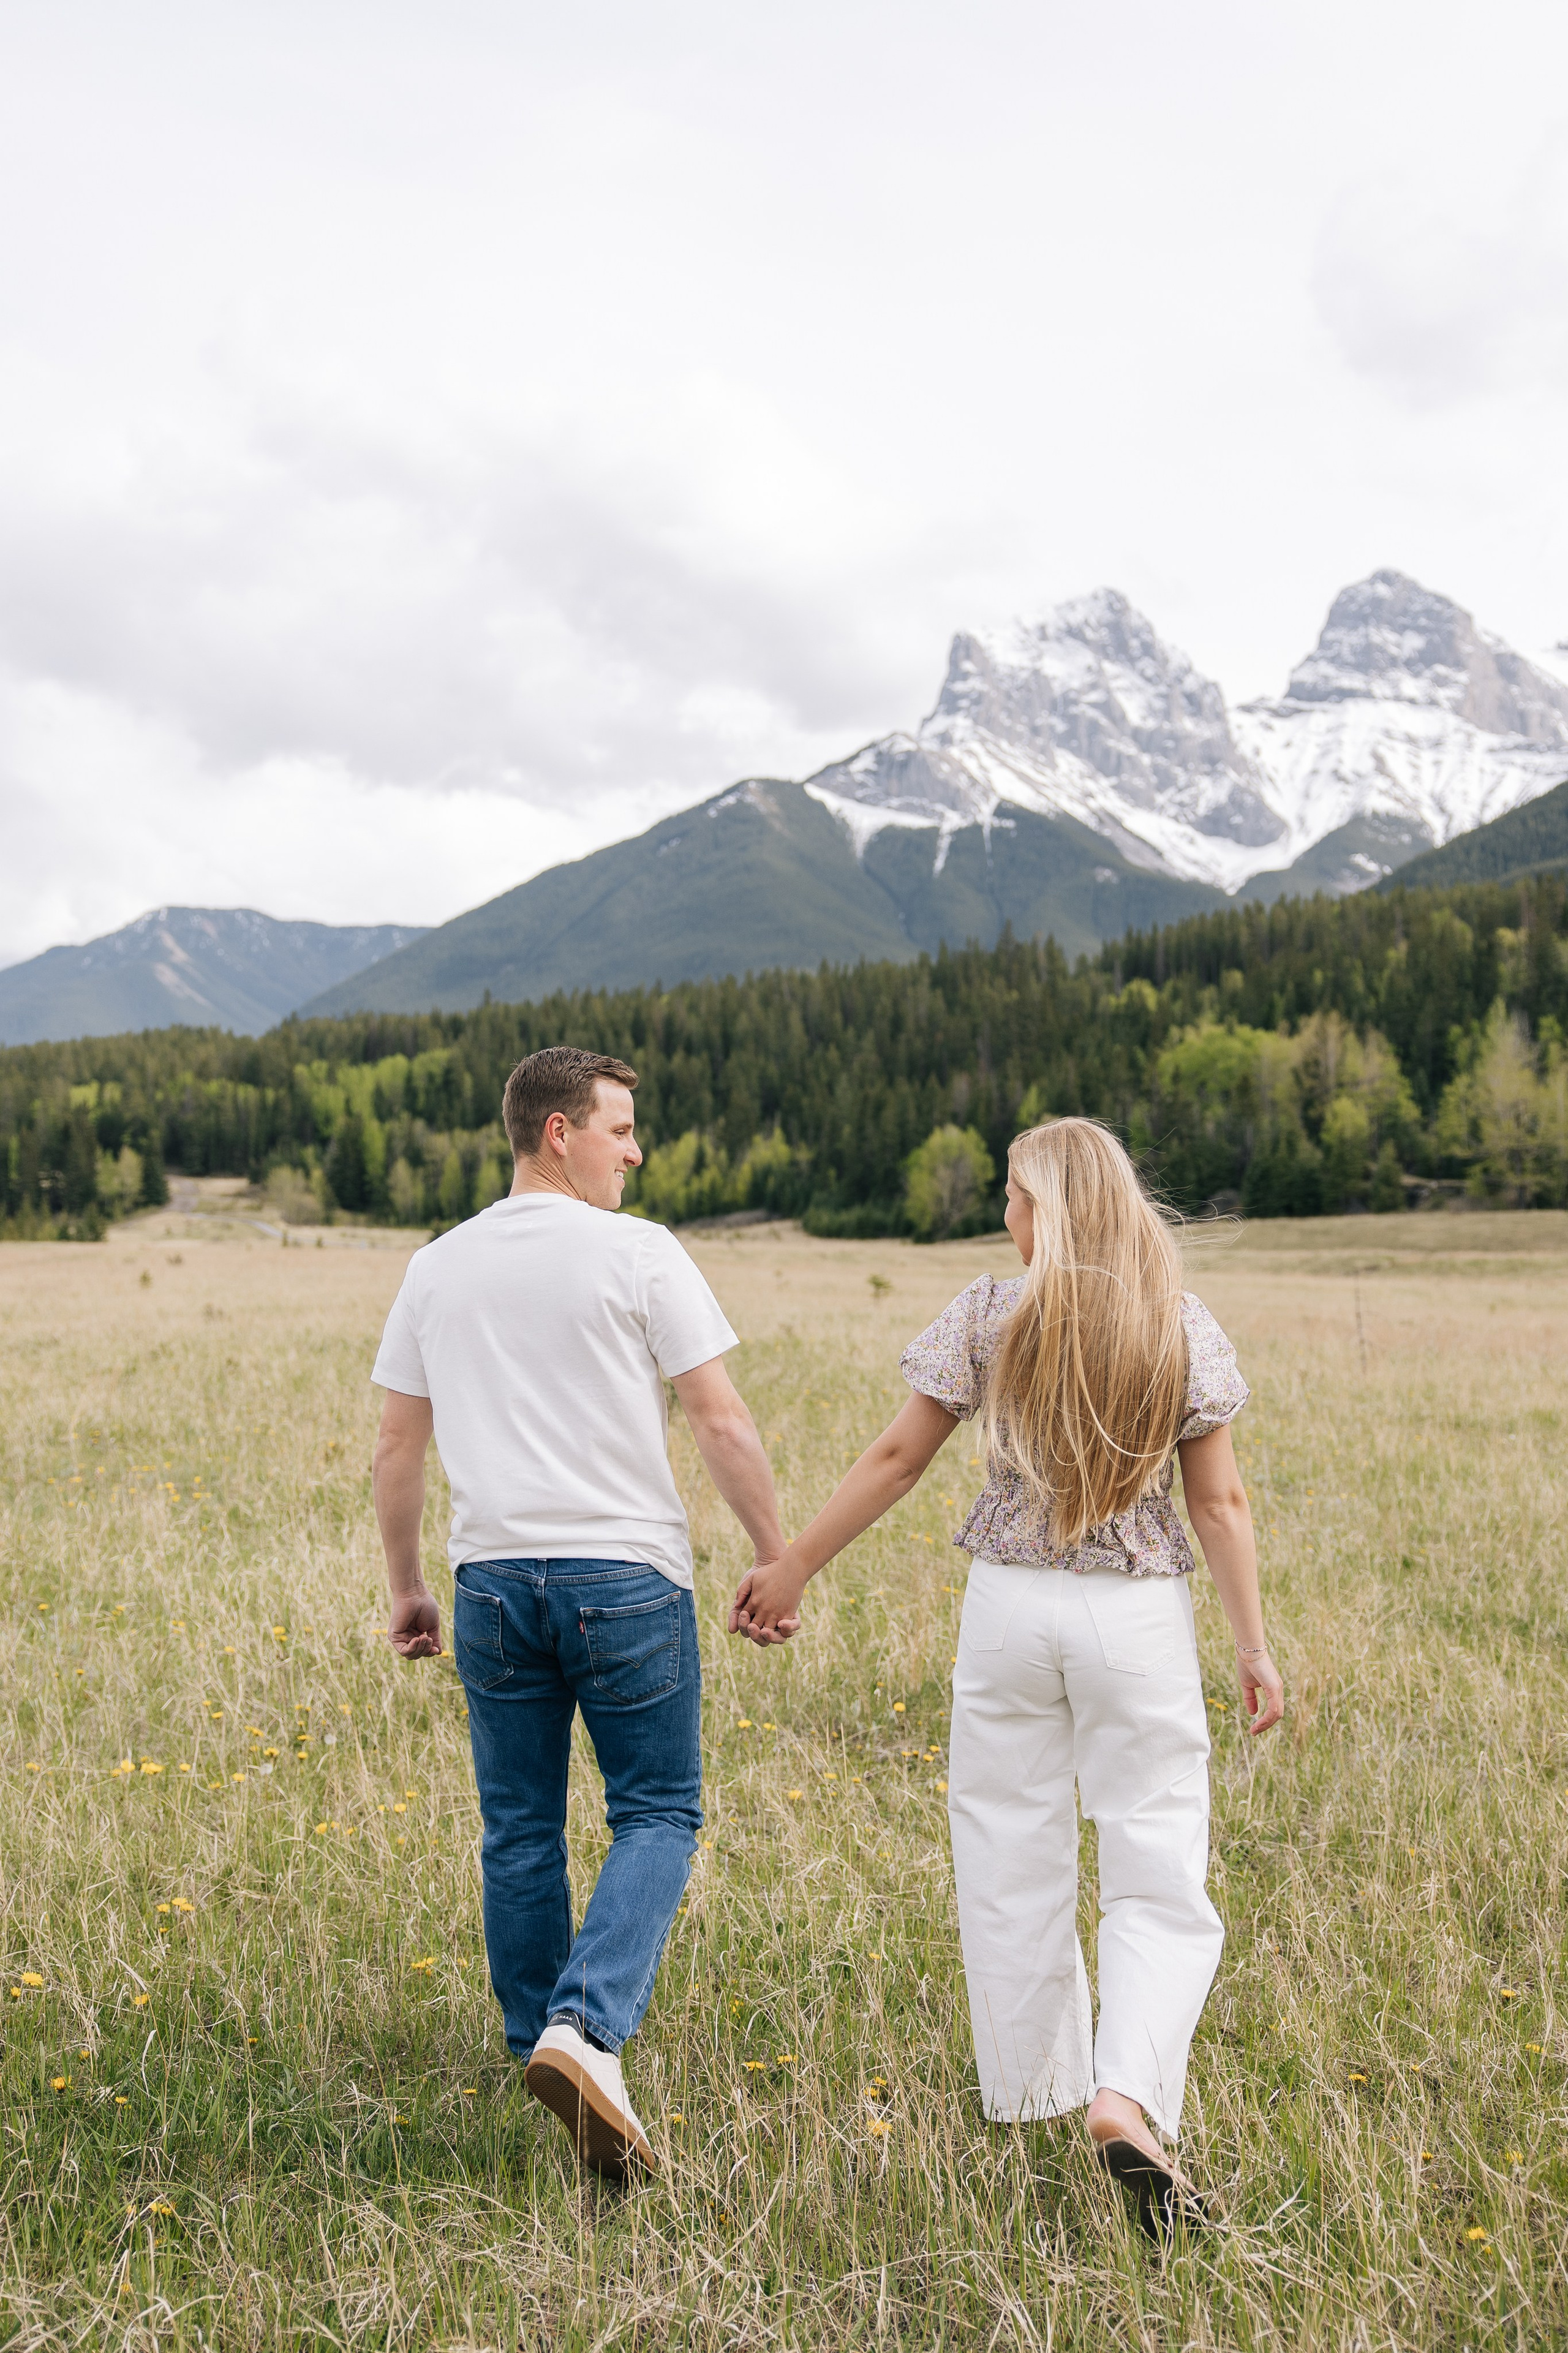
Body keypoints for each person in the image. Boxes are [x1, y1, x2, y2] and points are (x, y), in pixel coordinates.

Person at [729, 1116, 1284, 2238]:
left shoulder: (991, 1311)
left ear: (1055, 1206)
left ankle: (1039, 2089)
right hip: (1137, 1616)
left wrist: (793, 1565)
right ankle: (1125, 2096)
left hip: (1011, 1614)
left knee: (1008, 1843)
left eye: (1015, 1195)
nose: (1003, 1214)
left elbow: (897, 1457)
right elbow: (1219, 1503)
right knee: (1156, 1857)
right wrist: (1253, 1643)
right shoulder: (1176, 1323)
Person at [371, 1045, 786, 2180]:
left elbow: (397, 1443)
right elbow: (721, 1420)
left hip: (492, 1581)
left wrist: (409, 1583)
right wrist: (774, 1551)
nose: (635, 1149)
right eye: (619, 1128)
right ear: (559, 1132)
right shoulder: (640, 1252)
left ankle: (538, 2049)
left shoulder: (436, 1265)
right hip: (624, 1576)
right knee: (658, 1810)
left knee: (520, 1828)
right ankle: (585, 2029)